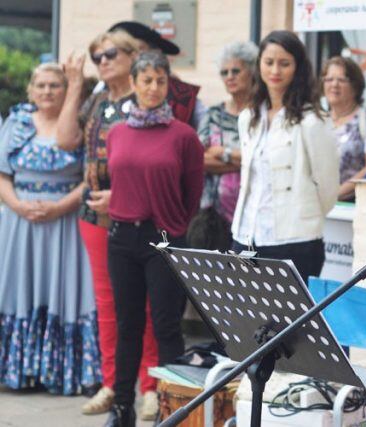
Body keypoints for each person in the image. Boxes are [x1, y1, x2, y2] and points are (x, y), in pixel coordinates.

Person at [56, 30, 161, 419]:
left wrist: (123, 195)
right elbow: (66, 140)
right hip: (95, 218)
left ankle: (150, 386)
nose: (102, 60)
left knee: (143, 304)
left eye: (110, 53)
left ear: (133, 56)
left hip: (137, 218)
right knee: (107, 306)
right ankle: (113, 384)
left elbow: (158, 163)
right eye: (96, 55)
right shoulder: (96, 99)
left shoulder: (147, 103)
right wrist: (73, 86)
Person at [103, 51, 204, 426]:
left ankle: (173, 410)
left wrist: (173, 228)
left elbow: (192, 193)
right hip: (122, 238)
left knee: (166, 327)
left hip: (164, 240)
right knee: (127, 327)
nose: (153, 88)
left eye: (160, 81)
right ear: (133, 84)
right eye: (146, 80)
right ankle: (121, 407)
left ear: (168, 85)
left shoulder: (183, 136)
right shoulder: (116, 134)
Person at [0, 63, 99, 395]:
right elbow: (2, 174)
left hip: (65, 223)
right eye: (40, 85)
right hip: (19, 223)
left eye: (55, 85)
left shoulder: (81, 125)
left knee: (64, 292)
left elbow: (89, 178)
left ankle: (60, 372)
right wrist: (17, 205)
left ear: (67, 89)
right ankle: (18, 370)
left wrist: (58, 207)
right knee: (17, 292)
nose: (46, 92)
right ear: (30, 89)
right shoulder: (17, 122)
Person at [231, 30, 339, 282]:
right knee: (246, 319)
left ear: (298, 68)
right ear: (259, 65)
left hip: (295, 240)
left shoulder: (312, 121)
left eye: (284, 63)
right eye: (269, 62)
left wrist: (302, 216)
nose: (275, 70)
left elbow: (328, 189)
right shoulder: (248, 117)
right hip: (246, 235)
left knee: (289, 321)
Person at [191, 41, 258, 250]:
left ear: (252, 71)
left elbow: (262, 160)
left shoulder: (261, 115)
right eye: (224, 72)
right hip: (214, 218)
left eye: (236, 70)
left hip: (253, 216)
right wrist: (244, 159)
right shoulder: (213, 115)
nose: (230, 76)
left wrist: (223, 152)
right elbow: (199, 160)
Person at [108, 21, 207, 129]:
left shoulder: (182, 96)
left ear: (154, 53)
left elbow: (207, 137)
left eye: (137, 49)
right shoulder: (103, 91)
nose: (132, 55)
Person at [319, 56, 366, 201]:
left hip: (353, 207)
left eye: (342, 80)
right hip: (317, 205)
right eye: (329, 79)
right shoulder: (319, 120)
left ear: (355, 86)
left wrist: (335, 194)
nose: (334, 85)